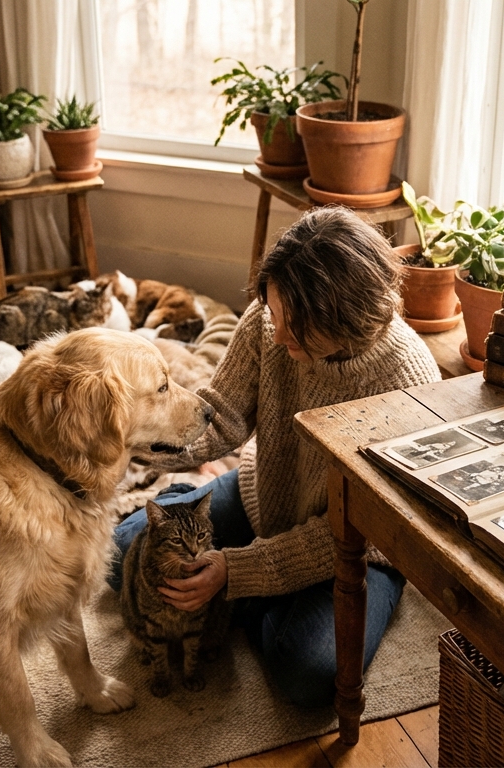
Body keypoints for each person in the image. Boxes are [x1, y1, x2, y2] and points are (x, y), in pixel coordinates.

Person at [108, 207, 440, 706]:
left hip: (355, 548)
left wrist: (236, 573)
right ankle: (197, 518)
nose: (277, 336)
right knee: (117, 560)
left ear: (345, 315)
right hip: (263, 493)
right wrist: (136, 444)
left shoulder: (407, 384)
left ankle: (244, 602)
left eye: (295, 327)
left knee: (309, 674)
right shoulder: (272, 319)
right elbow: (220, 416)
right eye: (274, 315)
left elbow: (356, 532)